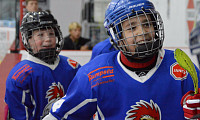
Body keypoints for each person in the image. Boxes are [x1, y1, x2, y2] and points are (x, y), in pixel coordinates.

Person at [43, 0, 200, 119]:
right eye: (132, 27)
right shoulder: (94, 74)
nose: (142, 32)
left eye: (147, 24)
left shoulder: (181, 66)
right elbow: (58, 116)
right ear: (117, 36)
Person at [4, 11, 81, 119]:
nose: (48, 39)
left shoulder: (73, 67)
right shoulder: (20, 76)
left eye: (51, 33)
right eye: (40, 35)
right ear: (28, 40)